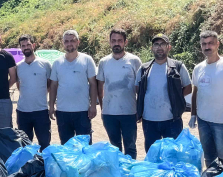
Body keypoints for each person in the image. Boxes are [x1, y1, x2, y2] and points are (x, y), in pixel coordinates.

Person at [189, 30, 223, 166]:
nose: (207, 47)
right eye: (204, 44)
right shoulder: (198, 68)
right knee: (209, 157)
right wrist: (194, 115)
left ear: (217, 44)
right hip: (203, 121)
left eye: (211, 43)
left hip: (222, 122)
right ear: (200, 46)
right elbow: (196, 92)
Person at [135, 34, 192, 152]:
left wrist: (176, 98)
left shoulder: (177, 66)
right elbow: (137, 88)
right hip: (149, 120)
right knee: (152, 154)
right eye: (156, 44)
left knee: (173, 154)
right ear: (152, 48)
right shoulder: (144, 68)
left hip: (172, 120)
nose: (159, 47)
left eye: (163, 44)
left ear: (169, 47)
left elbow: (188, 87)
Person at [96, 29, 142, 158]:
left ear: (125, 42)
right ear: (109, 42)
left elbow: (140, 87)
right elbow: (100, 86)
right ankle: (118, 175)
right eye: (114, 41)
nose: (117, 43)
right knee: (114, 148)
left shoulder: (134, 61)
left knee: (130, 147)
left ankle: (129, 173)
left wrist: (140, 108)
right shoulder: (103, 62)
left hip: (129, 112)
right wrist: (102, 108)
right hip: (109, 113)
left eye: (120, 41)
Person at [49, 29, 98, 144]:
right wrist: (51, 106)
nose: (69, 43)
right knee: (66, 147)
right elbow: (53, 86)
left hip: (82, 112)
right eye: (66, 41)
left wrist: (93, 106)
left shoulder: (87, 60)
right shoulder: (57, 63)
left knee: (85, 147)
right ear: (63, 43)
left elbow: (93, 84)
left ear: (78, 42)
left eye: (72, 41)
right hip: (62, 112)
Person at [15, 34, 52, 149]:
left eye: (28, 44)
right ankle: (28, 167)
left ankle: (44, 167)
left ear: (33, 45)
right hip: (23, 112)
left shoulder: (45, 64)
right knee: (25, 146)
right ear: (20, 48)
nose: (26, 47)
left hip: (41, 111)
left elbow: (50, 84)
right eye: (23, 45)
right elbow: (19, 85)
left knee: (44, 144)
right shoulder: (18, 66)